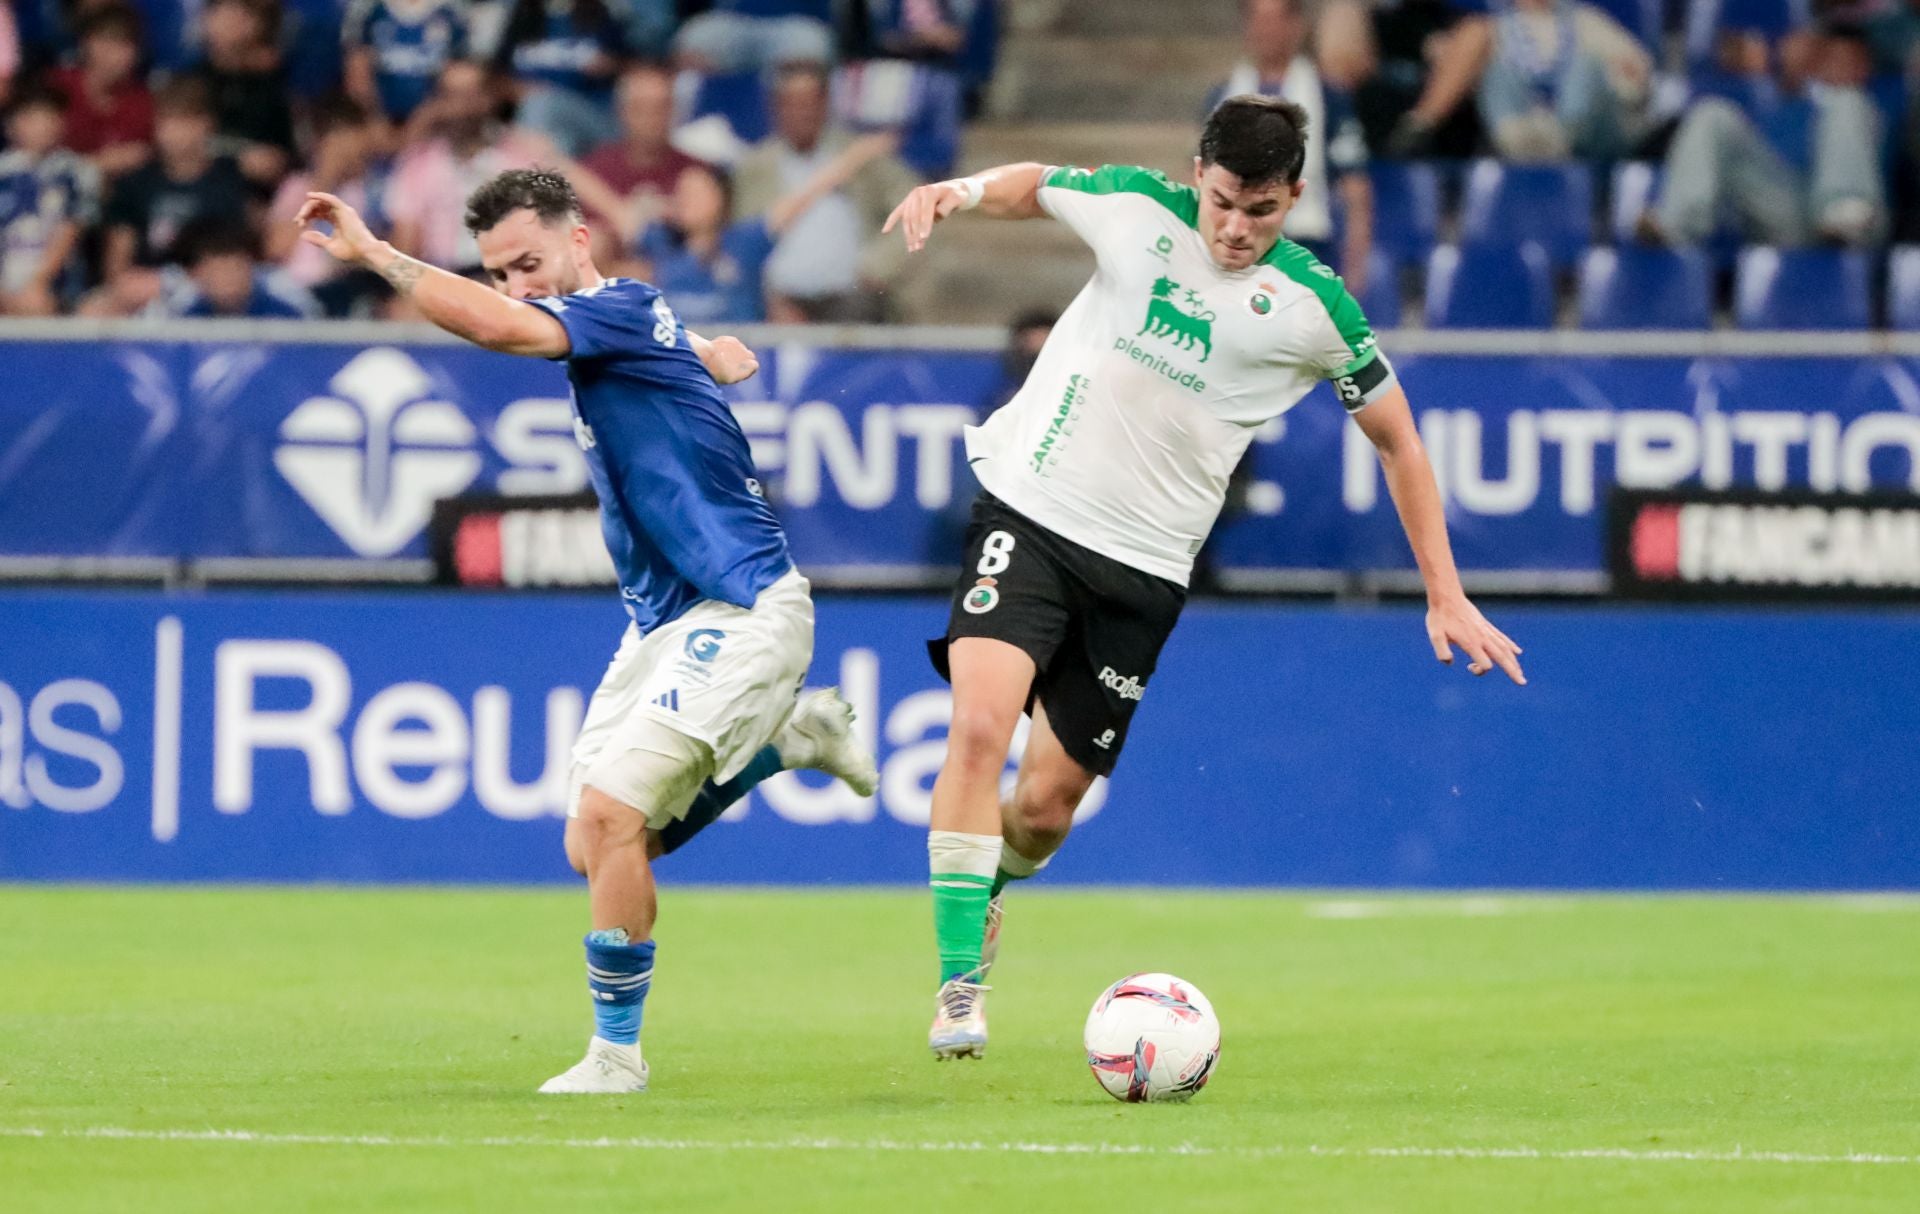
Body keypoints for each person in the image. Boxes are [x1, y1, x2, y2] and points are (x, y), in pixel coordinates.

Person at [882, 95, 1526, 1060]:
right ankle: (958, 984)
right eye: (1224, 201)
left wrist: (1445, 590)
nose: (1235, 228)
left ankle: (991, 891)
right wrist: (961, 189)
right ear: (1198, 177)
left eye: (1261, 211)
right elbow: (1035, 187)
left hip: (1144, 569)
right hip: (1031, 509)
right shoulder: (1138, 209)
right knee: (977, 724)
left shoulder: (1316, 308)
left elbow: (1398, 439)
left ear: (1295, 198)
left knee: (1047, 809)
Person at [295, 167, 879, 1094]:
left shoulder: (605, 309)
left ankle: (616, 1057)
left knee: (611, 814)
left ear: (580, 241)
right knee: (597, 846)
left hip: (742, 605)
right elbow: (637, 332)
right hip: (664, 622)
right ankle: (792, 740)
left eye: (528, 261)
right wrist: (703, 354)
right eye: (498, 272)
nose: (516, 286)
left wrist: (373, 254)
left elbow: (498, 329)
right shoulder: (634, 318)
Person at [1639, 24, 1888, 247]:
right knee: (1712, 114)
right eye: (1832, 59)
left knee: (1847, 100)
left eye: (1850, 60)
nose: (1840, 67)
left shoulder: (1884, 104)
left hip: (1864, 223)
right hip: (1789, 215)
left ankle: (1843, 206)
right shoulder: (1792, 106)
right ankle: (1676, 225)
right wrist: (1780, 71)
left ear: (1866, 65)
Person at [635, 133, 900, 323]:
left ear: (721, 199)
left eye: (697, 192)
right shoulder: (658, 242)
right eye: (681, 192)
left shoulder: (745, 242)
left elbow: (803, 197)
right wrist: (645, 207)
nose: (685, 199)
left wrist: (854, 157)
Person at [1207, 0, 1376, 299]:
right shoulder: (1222, 97)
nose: (1267, 31)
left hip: (1306, 248)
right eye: (1259, 21)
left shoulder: (1328, 96)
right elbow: (1202, 181)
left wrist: (1355, 267)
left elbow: (1355, 187)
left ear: (1295, 26)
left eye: (1275, 20)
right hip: (1236, 251)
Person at [731, 62, 920, 321]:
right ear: (776, 107)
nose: (802, 113)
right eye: (792, 103)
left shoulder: (863, 155)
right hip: (777, 303)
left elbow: (919, 205)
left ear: (825, 104)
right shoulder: (754, 167)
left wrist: (877, 267)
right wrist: (767, 298)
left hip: (853, 296)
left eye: (809, 102)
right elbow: (742, 243)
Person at [91, 77, 250, 315]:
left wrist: (191, 281)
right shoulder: (135, 183)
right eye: (166, 123)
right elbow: (117, 264)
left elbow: (238, 256)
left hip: (211, 286)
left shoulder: (228, 180)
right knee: (94, 308)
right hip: (145, 288)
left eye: (183, 122)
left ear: (206, 125)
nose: (173, 133)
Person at [1475, 0, 1652, 161]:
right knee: (1497, 73)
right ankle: (1517, 138)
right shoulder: (1491, 28)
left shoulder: (1585, 20)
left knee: (1586, 66)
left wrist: (1617, 76)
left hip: (1592, 136)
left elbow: (1636, 74)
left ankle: (1562, 136)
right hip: (1522, 139)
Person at [0, 85, 99, 315]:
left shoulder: (78, 172)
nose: (42, 126)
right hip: (6, 272)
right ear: (12, 124)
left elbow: (71, 229)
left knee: (34, 303)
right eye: (32, 118)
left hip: (56, 284)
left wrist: (38, 282)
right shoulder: (3, 171)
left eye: (49, 118)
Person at [491, 0, 629, 157]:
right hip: (535, 119)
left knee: (541, 104)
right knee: (563, 141)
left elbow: (634, 67)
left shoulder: (601, 16)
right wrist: (517, 88)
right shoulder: (523, 16)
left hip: (592, 116)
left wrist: (608, 65)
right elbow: (495, 78)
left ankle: (528, 173)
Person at [190, 0, 297, 188]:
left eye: (240, 18)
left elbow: (284, 153)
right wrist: (235, 161)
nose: (230, 26)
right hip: (199, 188)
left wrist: (273, 162)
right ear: (206, 21)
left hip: (256, 191)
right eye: (224, 16)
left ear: (255, 25)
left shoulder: (273, 85)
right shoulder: (192, 80)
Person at [46, 4, 154, 181]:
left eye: (123, 45)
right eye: (104, 41)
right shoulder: (56, 87)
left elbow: (144, 158)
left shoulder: (142, 103)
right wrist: (97, 163)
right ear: (85, 43)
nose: (111, 55)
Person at [159, 219, 318, 317]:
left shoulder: (284, 307)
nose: (227, 279)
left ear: (249, 269)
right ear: (199, 274)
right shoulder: (183, 310)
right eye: (217, 271)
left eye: (234, 269)